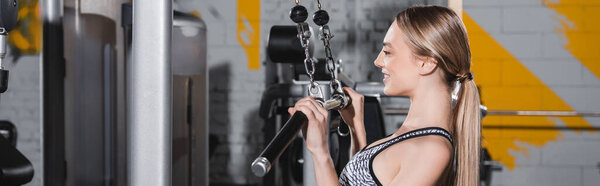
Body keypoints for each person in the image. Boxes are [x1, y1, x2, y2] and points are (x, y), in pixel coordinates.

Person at [287, 5, 481, 186]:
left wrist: (320, 152)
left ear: (426, 63)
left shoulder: (431, 150)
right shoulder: (413, 136)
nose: (378, 61)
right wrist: (357, 129)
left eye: (388, 52)